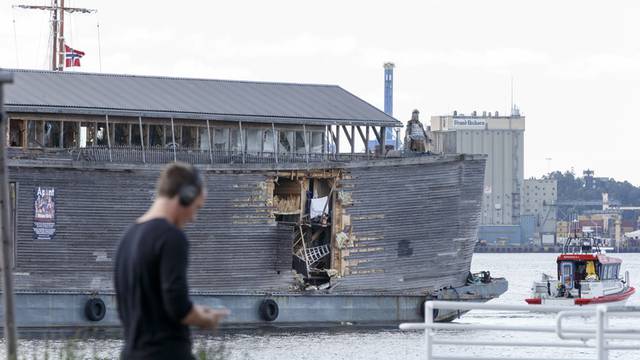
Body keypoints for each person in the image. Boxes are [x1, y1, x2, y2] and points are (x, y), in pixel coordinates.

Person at [114, 162, 229, 360]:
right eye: (197, 207)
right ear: (185, 196)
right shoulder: (171, 237)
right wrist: (205, 318)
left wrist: (194, 310)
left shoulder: (127, 237)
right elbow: (177, 305)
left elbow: (142, 305)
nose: (194, 218)